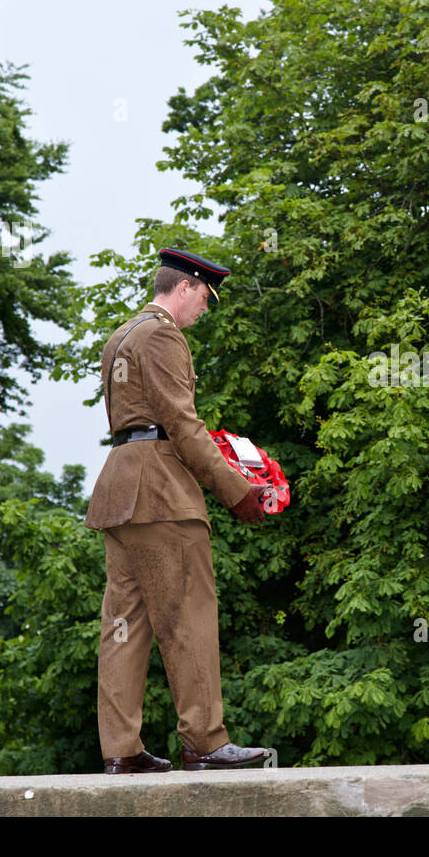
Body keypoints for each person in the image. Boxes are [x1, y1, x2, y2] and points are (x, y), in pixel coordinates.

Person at [84, 246, 269, 772]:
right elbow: (183, 426)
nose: (205, 308)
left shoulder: (119, 336)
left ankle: (120, 751)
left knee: (124, 624)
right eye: (206, 297)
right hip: (160, 493)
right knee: (187, 613)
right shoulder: (163, 334)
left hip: (120, 490)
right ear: (185, 286)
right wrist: (237, 490)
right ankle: (205, 742)